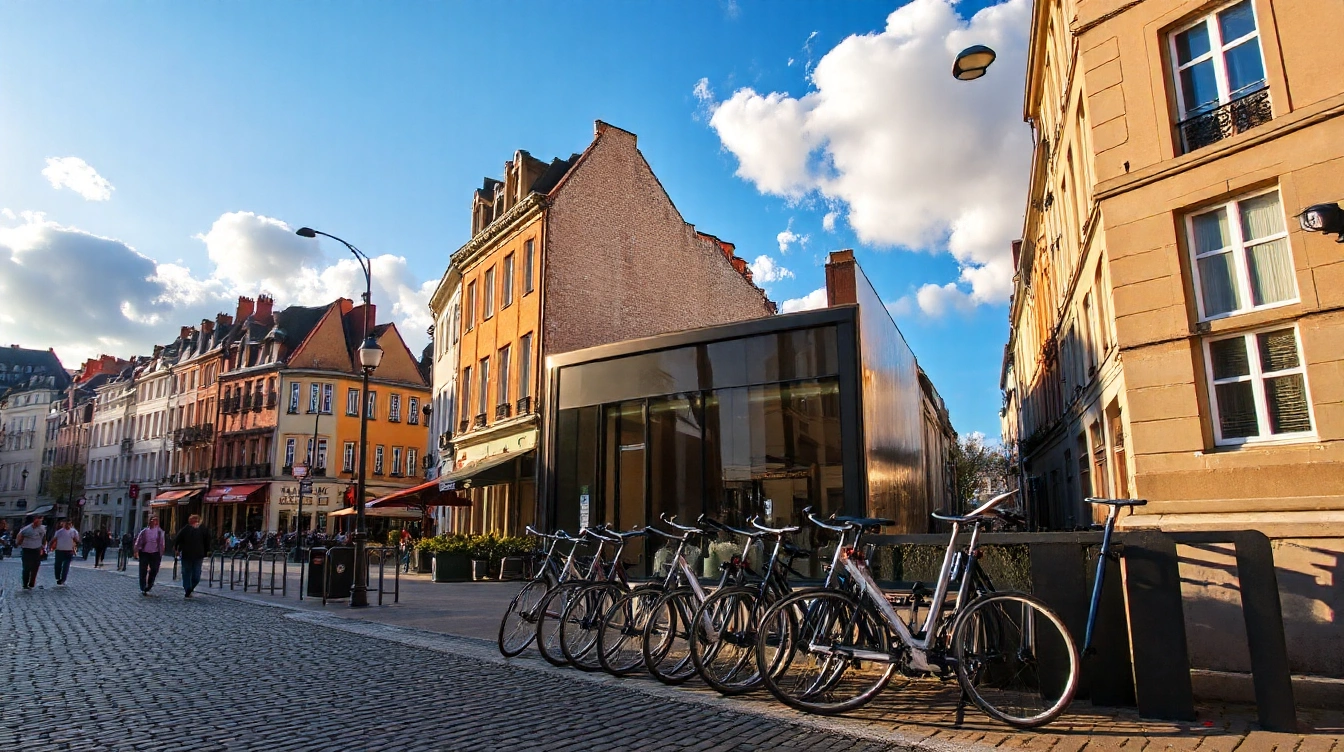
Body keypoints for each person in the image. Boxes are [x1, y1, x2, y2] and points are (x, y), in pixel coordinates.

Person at [174, 514, 211, 598]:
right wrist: (177, 549)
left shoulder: (203, 529)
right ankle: (187, 588)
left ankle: (190, 588)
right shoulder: (185, 529)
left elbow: (207, 540)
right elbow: (178, 539)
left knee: (196, 575)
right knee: (186, 572)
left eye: (196, 520)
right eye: (193, 520)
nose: (195, 522)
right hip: (186, 555)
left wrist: (207, 551)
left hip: (198, 555)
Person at [133, 517, 166, 596]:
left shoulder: (159, 532)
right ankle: (143, 587)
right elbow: (138, 541)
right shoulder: (144, 531)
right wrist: (136, 550)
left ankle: (150, 584)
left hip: (155, 553)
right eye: (153, 520)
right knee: (143, 570)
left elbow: (162, 543)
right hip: (144, 552)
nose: (154, 522)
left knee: (154, 569)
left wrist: (161, 552)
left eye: (156, 520)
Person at [15, 514, 47, 590]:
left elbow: (44, 538)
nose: (40, 522)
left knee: (35, 567)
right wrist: (18, 543)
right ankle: (25, 583)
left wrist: (43, 547)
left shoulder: (42, 528)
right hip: (27, 550)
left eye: (41, 520)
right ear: (35, 520)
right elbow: (19, 538)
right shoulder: (26, 529)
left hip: (37, 550)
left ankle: (32, 582)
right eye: (39, 520)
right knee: (27, 567)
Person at [49, 519, 80, 586]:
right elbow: (54, 539)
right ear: (63, 524)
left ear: (71, 524)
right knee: (58, 565)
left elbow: (77, 540)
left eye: (69, 524)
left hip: (69, 551)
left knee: (66, 566)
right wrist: (50, 546)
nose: (67, 525)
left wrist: (74, 545)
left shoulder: (74, 532)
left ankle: (63, 579)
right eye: (66, 524)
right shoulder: (59, 532)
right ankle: (57, 577)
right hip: (59, 550)